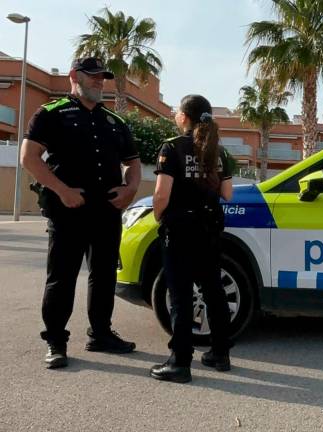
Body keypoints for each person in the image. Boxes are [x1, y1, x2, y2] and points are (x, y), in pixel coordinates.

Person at [20, 57, 140, 369]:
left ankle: (100, 334)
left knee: (102, 277)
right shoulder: (51, 114)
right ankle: (56, 342)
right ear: (75, 76)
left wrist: (130, 190)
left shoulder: (114, 121)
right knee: (62, 277)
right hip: (68, 211)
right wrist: (62, 190)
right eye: (94, 76)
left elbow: (133, 162)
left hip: (107, 212)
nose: (101, 82)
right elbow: (29, 157)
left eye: (103, 77)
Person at [149, 94, 234, 383]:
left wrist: (158, 216)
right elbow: (227, 194)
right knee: (213, 290)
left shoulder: (172, 148)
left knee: (181, 295)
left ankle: (180, 362)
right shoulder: (219, 152)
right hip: (209, 229)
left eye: (177, 112)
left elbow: (161, 194)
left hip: (181, 229)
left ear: (184, 117)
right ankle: (220, 354)